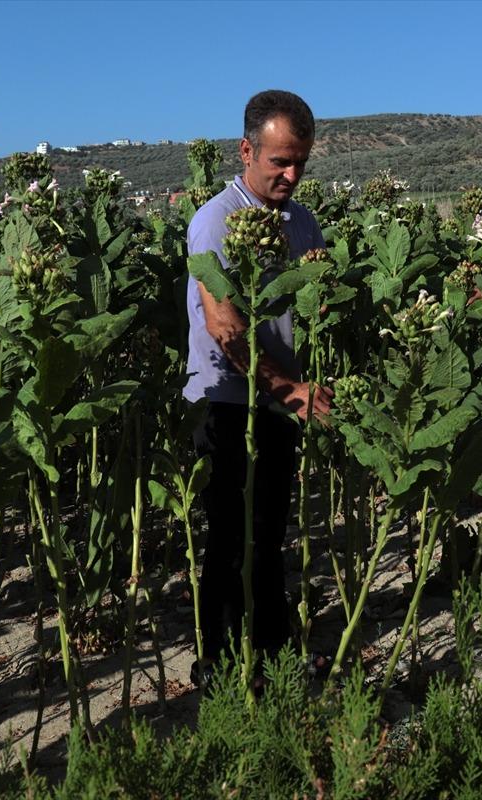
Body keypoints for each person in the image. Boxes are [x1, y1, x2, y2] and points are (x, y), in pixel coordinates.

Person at [184, 89, 332, 682]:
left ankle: (272, 656)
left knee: (269, 532)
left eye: (300, 162)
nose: (291, 175)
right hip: (226, 399)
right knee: (229, 537)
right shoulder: (215, 221)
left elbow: (316, 296)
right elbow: (226, 328)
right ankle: (218, 667)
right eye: (280, 161)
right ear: (246, 151)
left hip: (276, 399)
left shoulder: (301, 221)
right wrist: (287, 389)